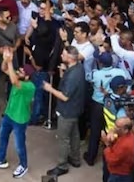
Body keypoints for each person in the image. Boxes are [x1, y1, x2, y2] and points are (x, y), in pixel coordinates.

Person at [0, 47, 34, 178]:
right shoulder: (19, 77)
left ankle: (23, 165)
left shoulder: (29, 86)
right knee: (2, 138)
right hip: (9, 115)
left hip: (20, 119)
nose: (18, 72)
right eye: (18, 70)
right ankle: (0, 159)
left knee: (19, 145)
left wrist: (9, 61)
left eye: (21, 71)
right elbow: (4, 69)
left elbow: (13, 80)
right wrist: (5, 60)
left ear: (27, 76)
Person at [43, 46, 87, 178]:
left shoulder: (73, 75)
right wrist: (63, 73)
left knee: (63, 138)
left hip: (67, 110)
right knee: (74, 135)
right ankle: (75, 158)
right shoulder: (78, 68)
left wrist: (49, 88)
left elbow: (65, 96)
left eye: (63, 54)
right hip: (76, 109)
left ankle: (62, 165)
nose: (61, 55)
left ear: (70, 57)